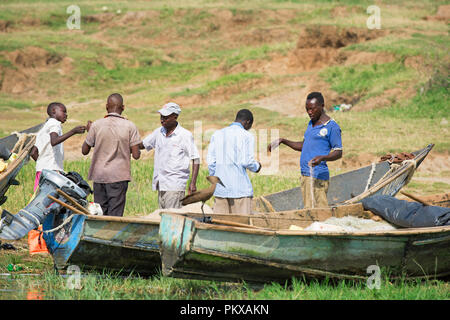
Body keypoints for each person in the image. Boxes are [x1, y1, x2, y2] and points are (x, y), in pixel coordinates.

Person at [268, 92, 342, 208]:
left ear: (322, 106)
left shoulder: (331, 127)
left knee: (320, 211)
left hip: (318, 177)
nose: (309, 112)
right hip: (306, 176)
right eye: (307, 109)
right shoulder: (311, 123)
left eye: (312, 109)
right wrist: (284, 141)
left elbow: (338, 152)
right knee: (309, 210)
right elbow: (304, 145)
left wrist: (323, 157)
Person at [82, 93, 141, 216]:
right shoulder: (130, 126)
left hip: (99, 176)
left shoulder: (96, 125)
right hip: (119, 176)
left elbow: (84, 150)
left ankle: (99, 235)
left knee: (100, 212)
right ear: (123, 108)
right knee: (115, 213)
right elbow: (136, 155)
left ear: (106, 107)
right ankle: (112, 235)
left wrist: (90, 132)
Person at [139, 102, 200, 209]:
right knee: (163, 217)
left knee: (172, 218)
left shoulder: (184, 135)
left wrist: (193, 183)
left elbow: (196, 159)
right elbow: (143, 145)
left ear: (175, 117)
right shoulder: (159, 132)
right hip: (161, 184)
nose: (162, 120)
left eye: (166, 117)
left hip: (175, 185)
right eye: (161, 116)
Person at [207, 109, 261, 214]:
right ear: (247, 122)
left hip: (221, 190)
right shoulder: (247, 136)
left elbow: (211, 163)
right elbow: (247, 162)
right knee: (242, 226)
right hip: (240, 190)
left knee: (221, 225)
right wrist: (257, 166)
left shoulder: (217, 134)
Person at [31, 102, 86, 192]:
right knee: (50, 201)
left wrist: (43, 163)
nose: (66, 115)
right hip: (51, 172)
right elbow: (54, 141)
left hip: (41, 170)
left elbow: (33, 152)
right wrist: (73, 131)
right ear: (54, 111)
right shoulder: (55, 124)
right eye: (63, 112)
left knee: (38, 198)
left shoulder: (44, 127)